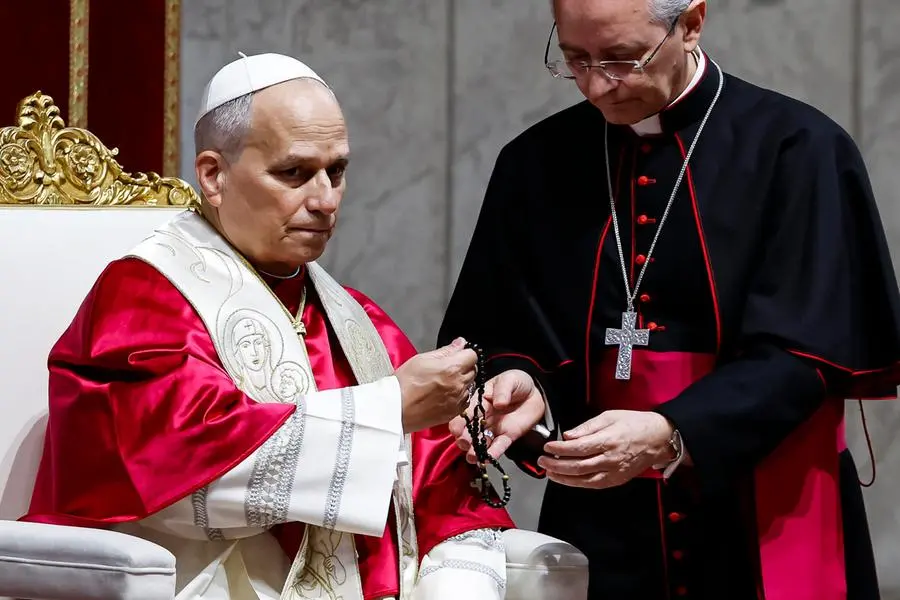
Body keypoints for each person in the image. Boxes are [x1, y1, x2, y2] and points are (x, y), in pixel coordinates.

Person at [438, 1, 900, 599]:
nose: (598, 86)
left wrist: (672, 430)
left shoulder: (799, 149)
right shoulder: (534, 164)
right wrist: (521, 386)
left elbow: (811, 347)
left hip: (760, 509)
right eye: (576, 60)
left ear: (691, 23)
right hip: (603, 520)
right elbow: (497, 331)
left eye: (623, 60)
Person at [21, 53, 515, 600]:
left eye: (338, 171)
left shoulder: (352, 316)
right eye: (295, 173)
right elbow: (174, 467)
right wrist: (387, 410)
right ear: (213, 175)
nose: (326, 200)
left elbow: (441, 487)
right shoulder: (144, 300)